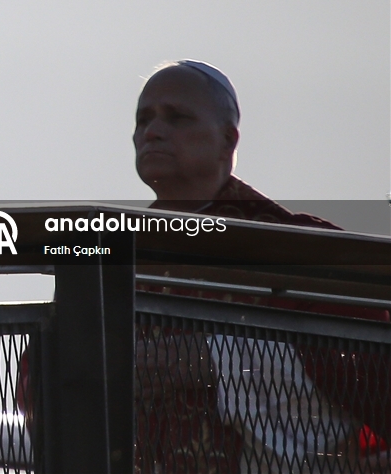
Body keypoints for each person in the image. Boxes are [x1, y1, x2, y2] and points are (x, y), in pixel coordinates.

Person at [132, 60, 389, 473]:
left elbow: (365, 371)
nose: (152, 132)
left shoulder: (300, 247)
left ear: (227, 141)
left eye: (176, 117)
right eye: (144, 119)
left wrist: (213, 360)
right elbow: (43, 379)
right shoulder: (108, 259)